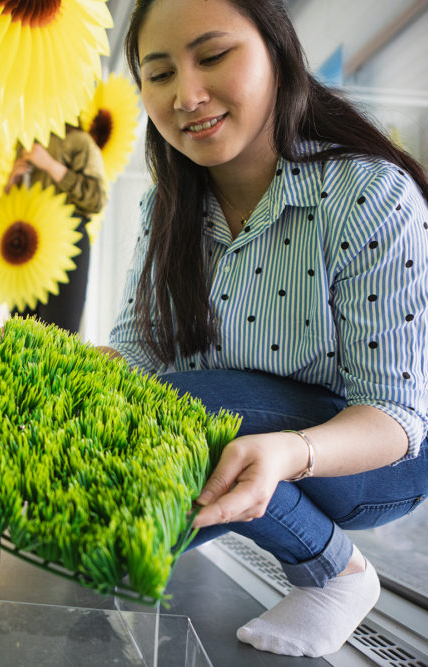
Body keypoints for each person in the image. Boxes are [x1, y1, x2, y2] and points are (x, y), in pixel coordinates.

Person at [98, 0, 428, 658]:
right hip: (235, 426)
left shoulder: (366, 195)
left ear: (276, 53)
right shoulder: (164, 208)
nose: (186, 95)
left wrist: (288, 452)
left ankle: (336, 572)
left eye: (213, 56)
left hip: (376, 460)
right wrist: (54, 371)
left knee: (179, 410)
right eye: (157, 73)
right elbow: (134, 355)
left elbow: (393, 414)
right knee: (119, 506)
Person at [5, 125, 107, 334]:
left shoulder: (79, 141)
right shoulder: (21, 144)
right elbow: (7, 210)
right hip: (24, 244)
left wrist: (50, 165)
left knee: (60, 334)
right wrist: (10, 183)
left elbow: (96, 200)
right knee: (20, 335)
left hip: (67, 242)